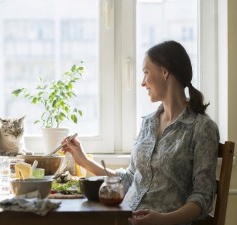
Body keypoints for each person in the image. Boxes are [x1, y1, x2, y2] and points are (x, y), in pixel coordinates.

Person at [61, 40, 219, 225]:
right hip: (123, 219)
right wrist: (84, 161)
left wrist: (162, 220)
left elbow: (203, 196)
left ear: (165, 71)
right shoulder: (148, 123)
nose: (142, 82)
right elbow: (130, 179)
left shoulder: (202, 128)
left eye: (146, 73)